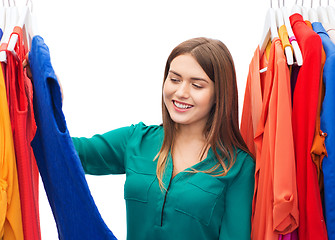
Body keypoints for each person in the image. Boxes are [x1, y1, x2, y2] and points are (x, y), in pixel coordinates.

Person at [37, 37, 255, 239]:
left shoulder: (238, 166)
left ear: (220, 94)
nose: (181, 92)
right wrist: (47, 97)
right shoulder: (137, 140)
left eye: (196, 85)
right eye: (174, 79)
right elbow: (64, 152)